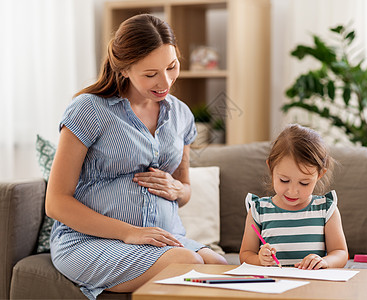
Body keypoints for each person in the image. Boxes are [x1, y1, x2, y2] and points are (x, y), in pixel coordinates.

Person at [45, 14, 227, 300]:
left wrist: (178, 189)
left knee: (219, 266)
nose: (165, 82)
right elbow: (56, 202)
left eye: (171, 66)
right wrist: (129, 232)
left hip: (164, 239)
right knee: (185, 262)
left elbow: (185, 190)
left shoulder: (180, 114)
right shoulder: (89, 110)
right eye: (150, 74)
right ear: (124, 69)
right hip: (91, 240)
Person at [239, 124, 349, 270]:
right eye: (284, 180)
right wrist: (259, 259)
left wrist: (325, 262)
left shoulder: (326, 209)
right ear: (271, 169)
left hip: (312, 286)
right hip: (272, 287)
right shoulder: (258, 210)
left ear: (319, 175)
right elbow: (245, 255)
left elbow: (340, 253)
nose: (292, 191)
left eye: (304, 183)